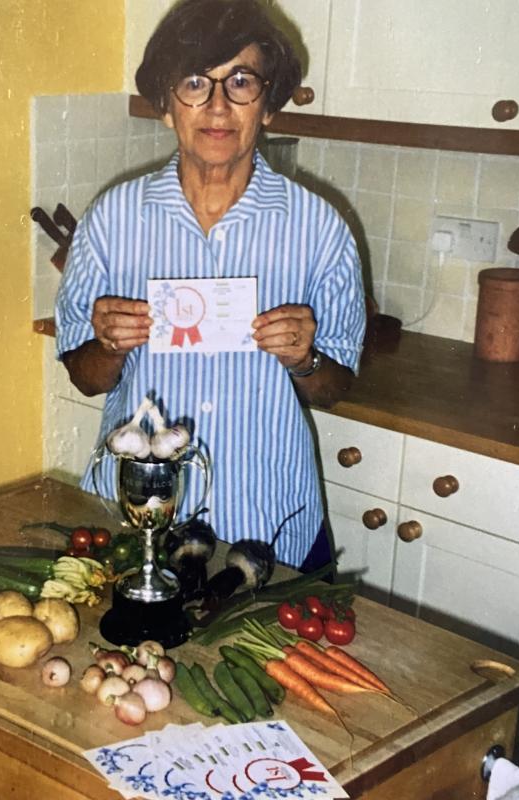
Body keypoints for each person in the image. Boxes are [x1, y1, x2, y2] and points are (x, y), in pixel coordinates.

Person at [55, 0, 366, 570]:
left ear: (268, 106)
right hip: (136, 517)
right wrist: (106, 346)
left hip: (269, 520)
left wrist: (304, 358)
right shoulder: (113, 218)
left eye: (241, 82)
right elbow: (86, 378)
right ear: (167, 107)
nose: (218, 106)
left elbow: (334, 385)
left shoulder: (321, 229)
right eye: (195, 83)